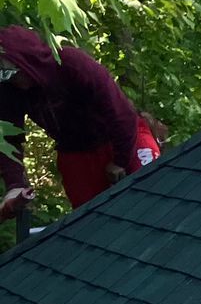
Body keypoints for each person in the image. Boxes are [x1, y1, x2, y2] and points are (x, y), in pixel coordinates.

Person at [0, 26, 161, 220]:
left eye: (11, 73)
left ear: (27, 61)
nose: (11, 81)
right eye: (3, 75)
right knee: (90, 222)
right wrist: (15, 185)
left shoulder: (71, 63)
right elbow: (9, 139)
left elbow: (121, 112)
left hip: (124, 137)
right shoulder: (11, 91)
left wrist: (120, 160)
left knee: (153, 201)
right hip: (75, 153)